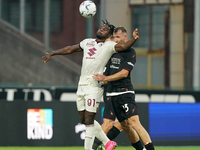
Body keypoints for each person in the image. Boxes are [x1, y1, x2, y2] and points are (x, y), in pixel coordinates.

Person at [42, 20, 139, 150]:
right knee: (84, 120)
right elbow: (71, 49)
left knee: (88, 121)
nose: (101, 29)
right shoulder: (87, 42)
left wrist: (134, 39)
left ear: (109, 34)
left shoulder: (109, 45)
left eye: (104, 29)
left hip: (94, 86)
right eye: (100, 28)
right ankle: (107, 142)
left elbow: (124, 47)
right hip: (82, 85)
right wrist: (53, 53)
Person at [93, 27, 155, 150]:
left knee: (134, 123)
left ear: (125, 38)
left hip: (124, 92)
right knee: (119, 125)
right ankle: (93, 148)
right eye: (113, 37)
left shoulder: (130, 52)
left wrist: (105, 78)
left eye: (118, 37)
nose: (115, 40)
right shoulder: (109, 50)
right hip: (109, 93)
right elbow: (101, 40)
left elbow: (123, 74)